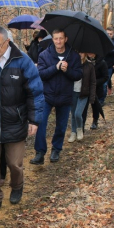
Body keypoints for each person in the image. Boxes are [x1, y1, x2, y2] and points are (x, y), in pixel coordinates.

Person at [0, 26, 44, 214]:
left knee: (14, 163)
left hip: (15, 120)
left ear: (7, 41)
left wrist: (34, 120)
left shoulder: (23, 61)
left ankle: (17, 186)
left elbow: (35, 92)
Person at [30, 29, 82, 165]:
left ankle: (56, 149)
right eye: (56, 39)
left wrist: (67, 70)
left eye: (60, 38)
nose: (58, 41)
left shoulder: (74, 56)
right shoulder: (44, 55)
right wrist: (56, 67)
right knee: (41, 123)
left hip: (65, 95)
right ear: (52, 39)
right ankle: (40, 152)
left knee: (61, 125)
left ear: (66, 39)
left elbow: (78, 75)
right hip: (47, 95)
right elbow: (41, 74)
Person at [68, 52, 96, 142]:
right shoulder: (72, 64)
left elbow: (93, 82)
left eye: (82, 53)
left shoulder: (90, 66)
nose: (80, 54)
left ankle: (79, 129)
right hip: (73, 92)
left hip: (84, 94)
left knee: (78, 113)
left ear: (85, 54)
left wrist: (92, 96)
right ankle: (73, 132)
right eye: (78, 53)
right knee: (73, 114)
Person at [82, 53, 108, 130]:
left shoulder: (102, 62)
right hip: (85, 88)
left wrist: (94, 82)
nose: (90, 54)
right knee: (84, 107)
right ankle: (82, 125)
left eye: (91, 52)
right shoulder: (84, 61)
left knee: (95, 105)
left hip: (97, 88)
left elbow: (105, 77)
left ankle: (95, 120)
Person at [102, 27, 114, 102]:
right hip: (101, 64)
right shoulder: (102, 40)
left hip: (109, 65)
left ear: (113, 34)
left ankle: (101, 100)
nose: (109, 35)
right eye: (107, 33)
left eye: (110, 34)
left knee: (105, 83)